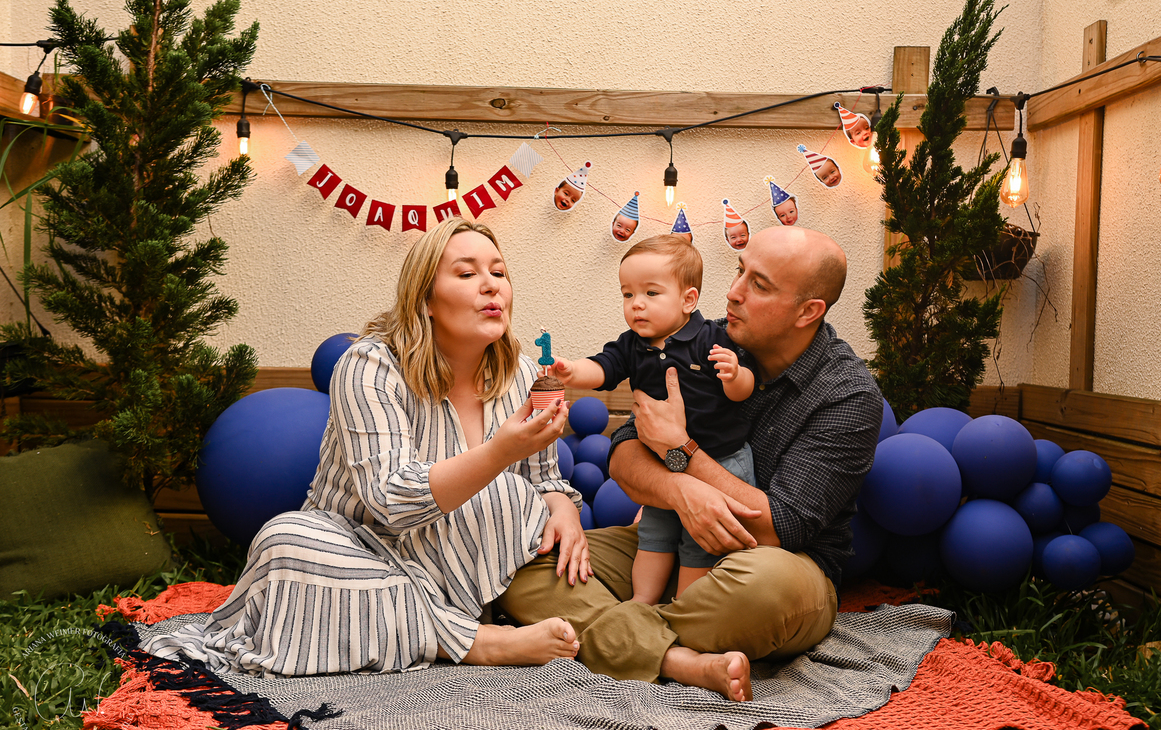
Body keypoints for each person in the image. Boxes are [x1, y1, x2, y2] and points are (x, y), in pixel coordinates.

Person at [144, 217, 590, 677]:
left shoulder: (523, 375)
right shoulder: (369, 366)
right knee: (284, 541)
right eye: (466, 273)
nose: (491, 285)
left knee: (509, 495)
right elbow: (390, 501)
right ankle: (478, 641)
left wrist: (563, 509)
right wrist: (498, 453)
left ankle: (418, 626)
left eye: (498, 272)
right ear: (425, 299)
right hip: (357, 552)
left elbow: (542, 480)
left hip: (455, 558)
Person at [498, 225, 883, 702]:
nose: (734, 292)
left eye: (759, 285)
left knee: (766, 590)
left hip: (771, 565)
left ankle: (615, 633)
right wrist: (680, 490)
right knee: (526, 566)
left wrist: (682, 451)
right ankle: (679, 658)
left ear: (808, 311)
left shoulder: (847, 395)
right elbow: (624, 452)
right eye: (739, 271)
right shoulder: (698, 340)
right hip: (672, 537)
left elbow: (779, 527)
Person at [549, 235, 756, 605]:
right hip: (663, 463)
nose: (636, 304)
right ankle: (642, 601)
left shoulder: (712, 338)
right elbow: (604, 367)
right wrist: (572, 371)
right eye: (627, 294)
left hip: (720, 461)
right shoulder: (632, 344)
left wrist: (735, 375)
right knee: (654, 533)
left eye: (651, 293)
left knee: (699, 540)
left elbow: (744, 390)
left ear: (688, 300)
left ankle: (683, 609)